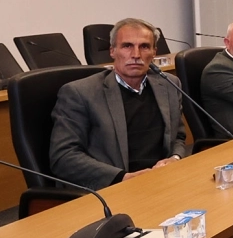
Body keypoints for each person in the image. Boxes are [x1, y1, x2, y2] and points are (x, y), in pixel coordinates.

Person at [49, 17, 189, 190]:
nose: (136, 55)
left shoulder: (169, 85)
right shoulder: (80, 93)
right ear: (112, 51)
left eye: (144, 46)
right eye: (127, 46)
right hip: (112, 188)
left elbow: (178, 136)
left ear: (154, 52)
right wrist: (122, 177)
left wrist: (175, 158)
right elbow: (63, 157)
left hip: (162, 181)